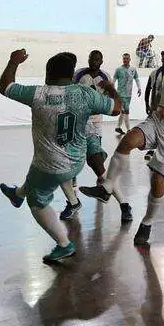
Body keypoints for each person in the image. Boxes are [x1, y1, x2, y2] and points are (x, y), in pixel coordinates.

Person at [79, 31, 164, 245]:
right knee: (127, 140)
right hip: (157, 121)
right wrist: (155, 107)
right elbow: (160, 93)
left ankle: (147, 223)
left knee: (157, 183)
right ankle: (107, 187)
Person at [0, 49, 122, 262]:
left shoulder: (38, 94)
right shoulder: (85, 93)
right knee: (35, 175)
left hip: (50, 165)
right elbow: (117, 109)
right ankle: (17, 194)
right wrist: (112, 90)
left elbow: (5, 87)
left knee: (37, 201)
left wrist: (13, 61)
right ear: (72, 74)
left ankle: (63, 244)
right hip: (75, 162)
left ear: (48, 74)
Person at [59, 50, 133, 222]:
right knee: (66, 168)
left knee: (97, 166)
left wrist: (110, 92)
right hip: (76, 124)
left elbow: (111, 105)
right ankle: (72, 202)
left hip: (94, 126)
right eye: (92, 58)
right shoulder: (78, 75)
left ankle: (124, 204)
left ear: (102, 61)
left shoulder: (105, 77)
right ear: (88, 59)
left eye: (98, 58)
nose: (94, 61)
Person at [143, 50, 164, 160]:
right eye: (163, 58)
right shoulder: (155, 73)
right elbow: (148, 89)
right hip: (156, 107)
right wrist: (147, 104)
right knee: (155, 128)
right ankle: (151, 150)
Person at [113, 53, 142, 135]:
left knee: (123, 112)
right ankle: (129, 130)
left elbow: (136, 79)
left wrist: (139, 88)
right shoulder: (118, 69)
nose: (125, 60)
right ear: (122, 59)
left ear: (129, 59)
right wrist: (112, 90)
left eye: (127, 59)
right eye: (124, 59)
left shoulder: (133, 69)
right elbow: (114, 80)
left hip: (129, 94)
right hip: (120, 94)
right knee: (126, 111)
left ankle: (118, 127)